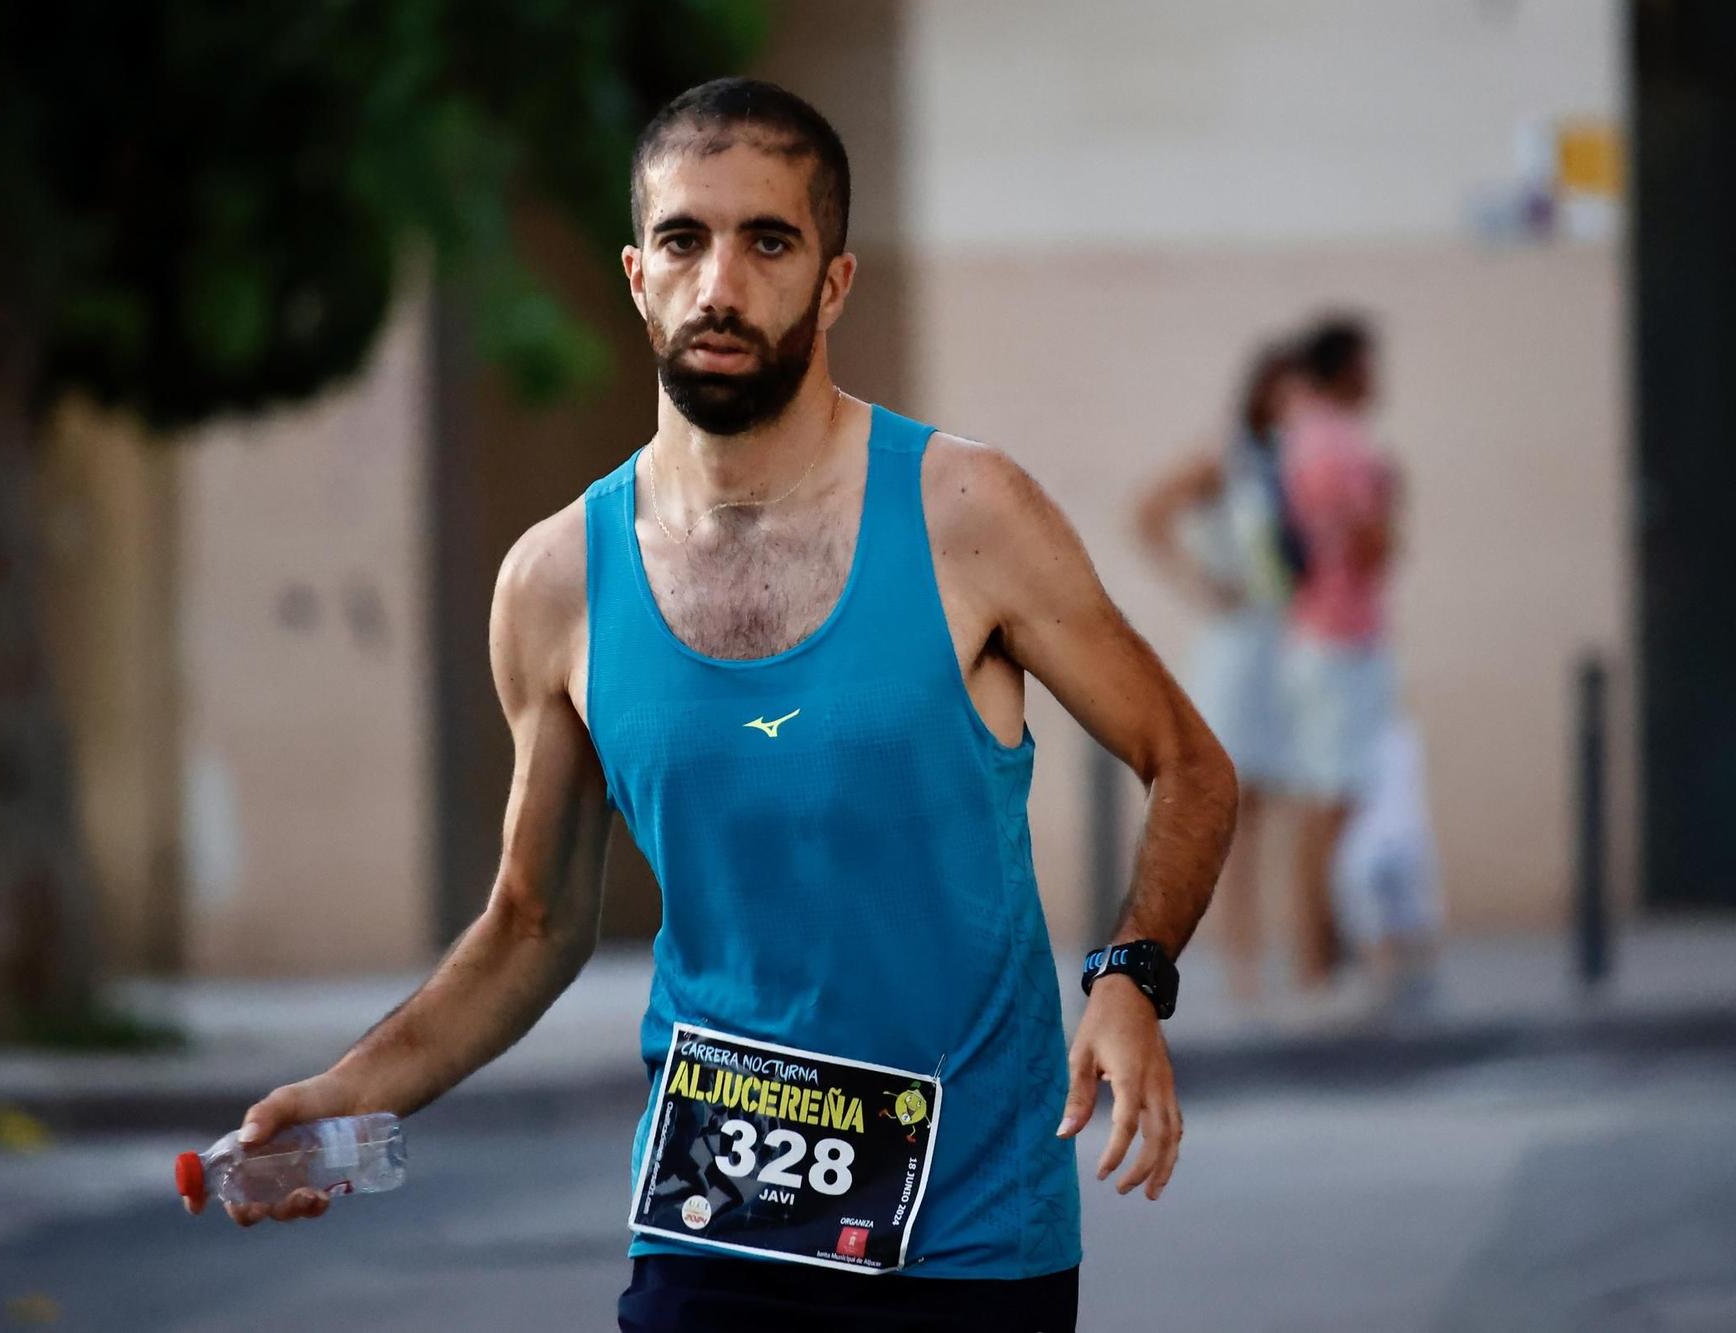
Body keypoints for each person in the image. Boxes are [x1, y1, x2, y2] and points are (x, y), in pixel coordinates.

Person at [186, 78, 1237, 1333]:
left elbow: (1185, 761)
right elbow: (531, 925)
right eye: (684, 240)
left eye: (768, 241)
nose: (719, 285)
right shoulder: (556, 582)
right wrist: (354, 1092)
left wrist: (1128, 975)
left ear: (833, 282)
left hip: (966, 1240)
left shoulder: (964, 517)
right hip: (712, 1227)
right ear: (638, 275)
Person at [1134, 345, 1302, 1007]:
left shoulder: (1299, 463)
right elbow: (1147, 512)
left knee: (1298, 803)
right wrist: (1200, 583)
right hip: (1239, 647)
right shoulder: (1227, 458)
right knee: (1238, 811)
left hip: (1288, 643)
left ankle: (1300, 956)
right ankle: (1242, 967)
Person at [1277, 316, 1401, 994]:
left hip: (1318, 634)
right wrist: (1391, 503)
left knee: (1328, 796)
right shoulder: (1341, 444)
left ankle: (1321, 951)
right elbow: (1368, 545)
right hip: (1340, 635)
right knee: (1332, 800)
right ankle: (1317, 955)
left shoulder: (1302, 436)